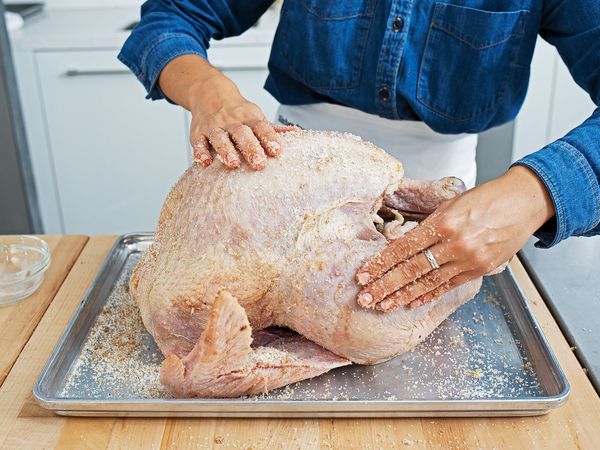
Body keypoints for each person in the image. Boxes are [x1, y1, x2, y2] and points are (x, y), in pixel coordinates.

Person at [119, 1, 600, 311]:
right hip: (282, 174)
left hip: (443, 205)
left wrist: (537, 192)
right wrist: (208, 92)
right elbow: (171, 17)